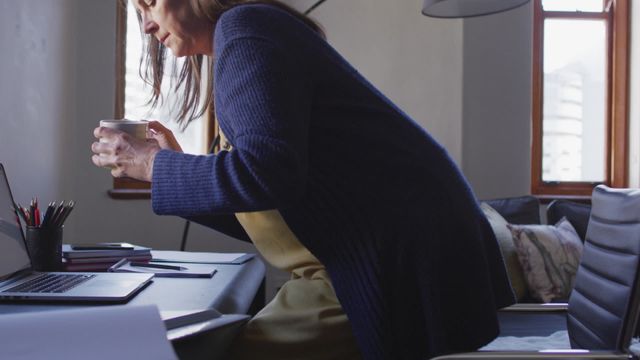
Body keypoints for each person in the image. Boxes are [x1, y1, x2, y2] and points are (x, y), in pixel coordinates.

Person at [91, 0, 515, 359]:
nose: (146, 24)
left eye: (149, 2)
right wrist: (170, 169)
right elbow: (270, 199)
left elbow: (266, 176)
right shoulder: (244, 38)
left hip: (386, 262)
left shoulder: (244, 30)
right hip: (377, 253)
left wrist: (153, 166)